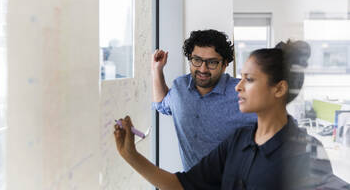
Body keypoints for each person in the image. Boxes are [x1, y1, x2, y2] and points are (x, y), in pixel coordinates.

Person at [114, 40, 336, 190]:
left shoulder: (306, 151)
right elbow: (180, 185)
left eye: (249, 79)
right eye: (240, 78)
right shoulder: (238, 141)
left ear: (278, 89)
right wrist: (130, 155)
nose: (238, 87)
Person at [152, 29, 255, 170]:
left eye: (212, 62)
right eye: (197, 60)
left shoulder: (242, 93)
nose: (203, 69)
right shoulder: (180, 87)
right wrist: (157, 70)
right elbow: (161, 104)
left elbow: (275, 125)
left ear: (224, 64)